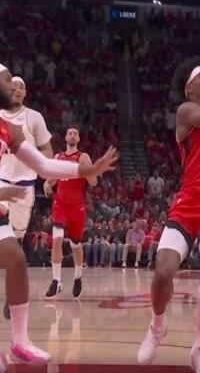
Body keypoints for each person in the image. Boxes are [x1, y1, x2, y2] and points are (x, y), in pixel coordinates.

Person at [137, 21, 200, 371]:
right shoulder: (187, 113)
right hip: (187, 206)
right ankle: (158, 326)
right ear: (189, 87)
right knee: (163, 272)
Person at [0, 64, 117, 367]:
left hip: (18, 195)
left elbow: (44, 164)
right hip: (9, 195)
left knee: (17, 258)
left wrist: (87, 168)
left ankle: (20, 342)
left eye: (15, 82)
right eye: (6, 81)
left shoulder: (11, 128)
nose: (12, 86)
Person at [0, 76, 53, 319]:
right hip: (1, 183)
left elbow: (47, 150)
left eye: (22, 87)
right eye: (14, 86)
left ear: (26, 92)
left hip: (24, 188)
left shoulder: (34, 117)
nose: (18, 90)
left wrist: (46, 169)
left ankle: (11, 297)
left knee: (16, 245)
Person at [43, 127, 98, 299]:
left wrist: (85, 170)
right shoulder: (58, 157)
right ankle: (56, 281)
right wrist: (47, 185)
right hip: (60, 205)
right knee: (57, 240)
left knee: (76, 245)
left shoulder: (83, 157)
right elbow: (50, 181)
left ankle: (78, 277)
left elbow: (94, 182)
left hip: (77, 207)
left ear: (78, 139)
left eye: (75, 133)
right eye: (70, 133)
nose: (73, 136)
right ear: (66, 137)